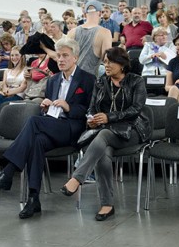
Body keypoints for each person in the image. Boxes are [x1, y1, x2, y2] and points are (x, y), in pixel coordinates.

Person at [0, 39, 96, 219]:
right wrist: (46, 105)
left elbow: (90, 110)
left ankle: (8, 172)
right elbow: (50, 108)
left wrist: (68, 107)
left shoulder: (88, 79)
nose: (61, 59)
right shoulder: (53, 80)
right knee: (37, 142)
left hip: (73, 128)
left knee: (33, 122)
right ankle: (33, 199)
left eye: (65, 55)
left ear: (76, 57)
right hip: (53, 124)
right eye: (58, 56)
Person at [61, 47, 149, 221]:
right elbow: (92, 107)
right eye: (105, 62)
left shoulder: (136, 81)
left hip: (132, 129)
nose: (106, 65)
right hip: (106, 130)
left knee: (103, 136)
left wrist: (108, 117)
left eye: (110, 62)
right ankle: (107, 205)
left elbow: (136, 109)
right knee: (104, 152)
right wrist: (91, 119)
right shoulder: (101, 81)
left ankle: (77, 178)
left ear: (122, 64)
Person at [69, 0, 113, 76]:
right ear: (100, 13)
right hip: (90, 81)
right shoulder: (105, 33)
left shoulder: (71, 32)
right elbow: (107, 60)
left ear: (85, 14)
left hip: (71, 80)